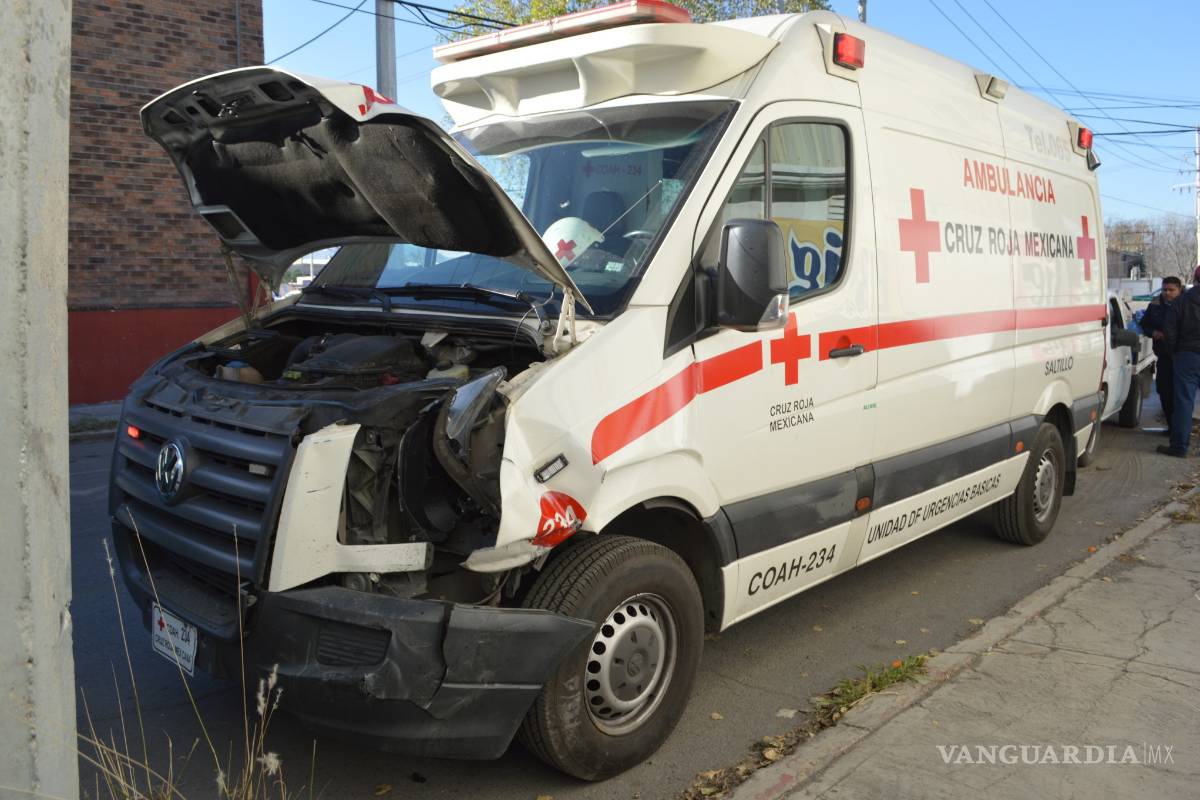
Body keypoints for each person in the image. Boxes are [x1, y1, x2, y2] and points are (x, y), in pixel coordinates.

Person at [1159, 266, 1200, 457]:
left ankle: (1179, 446)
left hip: (1187, 356)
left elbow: (1170, 329)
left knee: (1184, 401)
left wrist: (1175, 351)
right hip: (1186, 353)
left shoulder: (1181, 302)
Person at [1141, 276, 1183, 436]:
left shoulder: (1186, 304)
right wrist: (1153, 332)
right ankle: (1172, 427)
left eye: (1171, 290)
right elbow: (1145, 324)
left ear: (1179, 290)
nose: (1167, 293)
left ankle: (1179, 430)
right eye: (1165, 289)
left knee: (1181, 394)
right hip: (1164, 356)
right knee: (1164, 391)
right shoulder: (1155, 305)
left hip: (1183, 355)